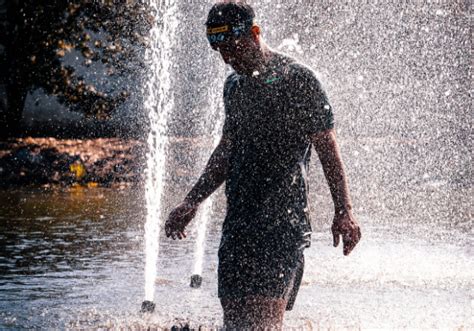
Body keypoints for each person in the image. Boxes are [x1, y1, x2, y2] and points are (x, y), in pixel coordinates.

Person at [165, 2, 361, 329]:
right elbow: (227, 150)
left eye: (232, 47)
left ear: (255, 33)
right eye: (219, 50)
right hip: (239, 224)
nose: (227, 58)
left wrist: (344, 210)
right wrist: (192, 200)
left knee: (261, 325)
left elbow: (328, 149)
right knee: (235, 324)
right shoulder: (234, 87)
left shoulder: (298, 80)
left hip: (281, 225)